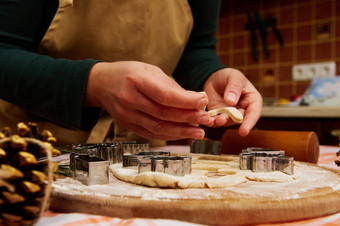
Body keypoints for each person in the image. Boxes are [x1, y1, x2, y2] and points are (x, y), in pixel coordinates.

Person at [0, 0, 262, 146]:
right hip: (33, 152)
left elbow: (195, 49)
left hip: (143, 151)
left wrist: (210, 75)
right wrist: (94, 83)